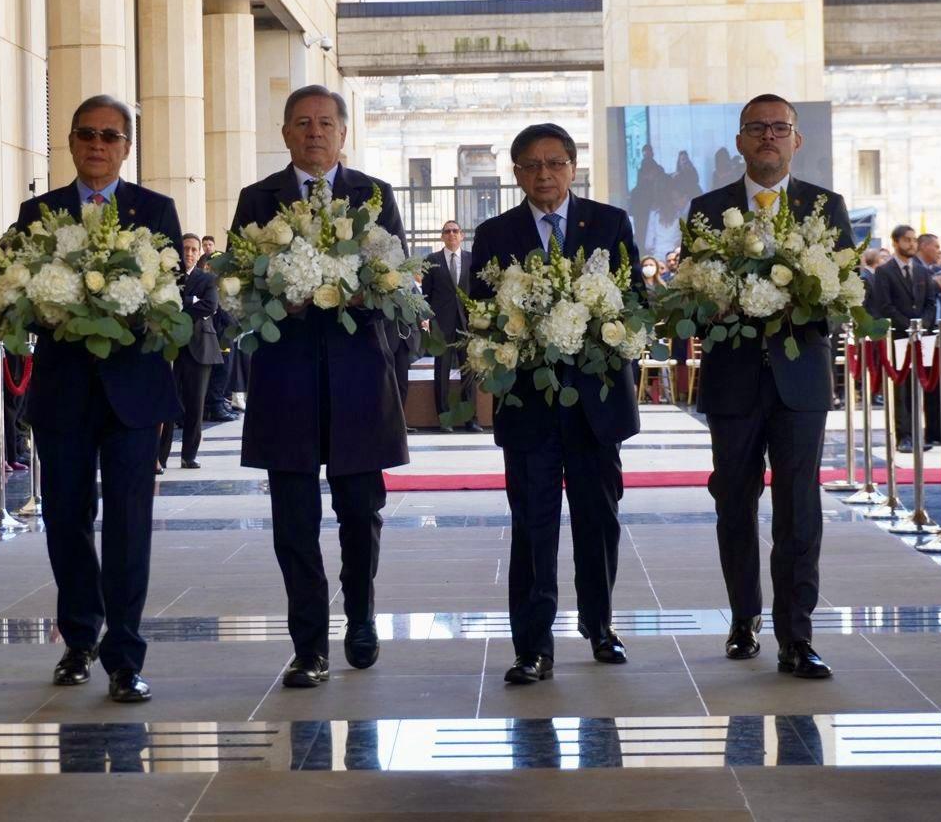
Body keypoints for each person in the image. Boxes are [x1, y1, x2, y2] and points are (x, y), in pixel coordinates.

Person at [231, 84, 408, 688]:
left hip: (359, 380)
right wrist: (285, 298)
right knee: (293, 522)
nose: (314, 133)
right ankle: (308, 644)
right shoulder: (258, 200)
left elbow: (397, 282)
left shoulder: (375, 197)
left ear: (343, 133)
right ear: (284, 133)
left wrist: (363, 292)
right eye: (302, 123)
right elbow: (240, 290)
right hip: (287, 383)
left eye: (326, 123)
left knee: (362, 512)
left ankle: (359, 614)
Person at [21, 95, 180, 705]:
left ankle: (125, 655)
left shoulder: (155, 211)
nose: (97, 144)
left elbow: (170, 291)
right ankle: (79, 638)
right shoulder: (38, 212)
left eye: (109, 136)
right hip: (63, 393)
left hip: (134, 396)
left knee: (129, 526)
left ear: (126, 146)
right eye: (86, 134)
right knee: (65, 519)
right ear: (69, 140)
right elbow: (14, 290)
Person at [471, 123, 643, 683]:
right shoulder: (495, 234)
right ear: (516, 174)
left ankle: (600, 626)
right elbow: (478, 316)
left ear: (573, 167)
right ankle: (532, 647)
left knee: (599, 522)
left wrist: (600, 329)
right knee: (533, 526)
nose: (543, 174)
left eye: (554, 163)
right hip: (529, 406)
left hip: (596, 404)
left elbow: (635, 305)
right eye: (530, 165)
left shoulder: (610, 222)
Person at [687, 93, 850, 680]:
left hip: (799, 381)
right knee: (734, 501)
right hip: (732, 380)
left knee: (799, 508)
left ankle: (796, 636)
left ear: (796, 140)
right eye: (757, 128)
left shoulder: (826, 207)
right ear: (739, 140)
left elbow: (840, 294)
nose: (768, 137)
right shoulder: (706, 208)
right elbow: (695, 296)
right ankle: (743, 618)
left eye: (779, 128)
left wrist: (798, 298)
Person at [872, 225, 941, 452]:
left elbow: (931, 302)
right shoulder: (885, 271)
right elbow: (885, 305)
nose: (912, 244)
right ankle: (904, 436)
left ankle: (920, 433)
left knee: (920, 383)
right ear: (896, 242)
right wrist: (908, 325)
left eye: (914, 240)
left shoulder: (922, 271)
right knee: (901, 387)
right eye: (907, 240)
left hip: (922, 335)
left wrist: (923, 324)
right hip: (899, 335)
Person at [158, 234, 222, 473]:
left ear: (199, 253)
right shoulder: (169, 277)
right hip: (171, 347)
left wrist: (182, 306)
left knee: (196, 404)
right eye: (186, 249)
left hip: (200, 347)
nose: (190, 253)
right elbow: (164, 303)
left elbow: (210, 305)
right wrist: (191, 301)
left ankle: (189, 455)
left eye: (194, 249)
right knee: (167, 404)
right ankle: (160, 458)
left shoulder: (207, 278)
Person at [422, 220, 480, 432]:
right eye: (447, 231)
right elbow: (426, 295)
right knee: (442, 373)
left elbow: (475, 291)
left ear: (462, 235)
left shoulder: (471, 259)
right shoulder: (432, 260)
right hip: (441, 325)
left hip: (466, 324)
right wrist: (428, 322)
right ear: (442, 236)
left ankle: (471, 419)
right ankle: (444, 418)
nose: (451, 234)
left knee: (469, 373)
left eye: (455, 231)